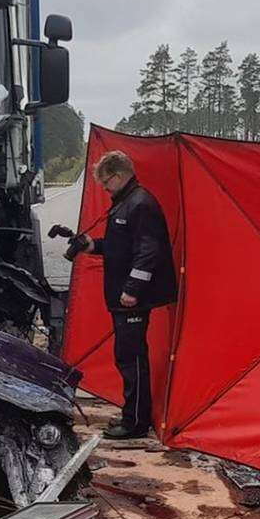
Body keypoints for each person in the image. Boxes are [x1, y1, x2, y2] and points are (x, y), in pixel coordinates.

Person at [65, 150, 177, 439]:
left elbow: (148, 252)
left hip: (132, 299)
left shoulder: (141, 204)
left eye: (105, 183)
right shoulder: (126, 203)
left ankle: (136, 422)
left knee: (131, 357)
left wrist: (132, 290)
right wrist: (91, 245)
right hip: (122, 296)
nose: (103, 189)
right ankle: (133, 413)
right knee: (126, 355)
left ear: (117, 176)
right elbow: (121, 247)